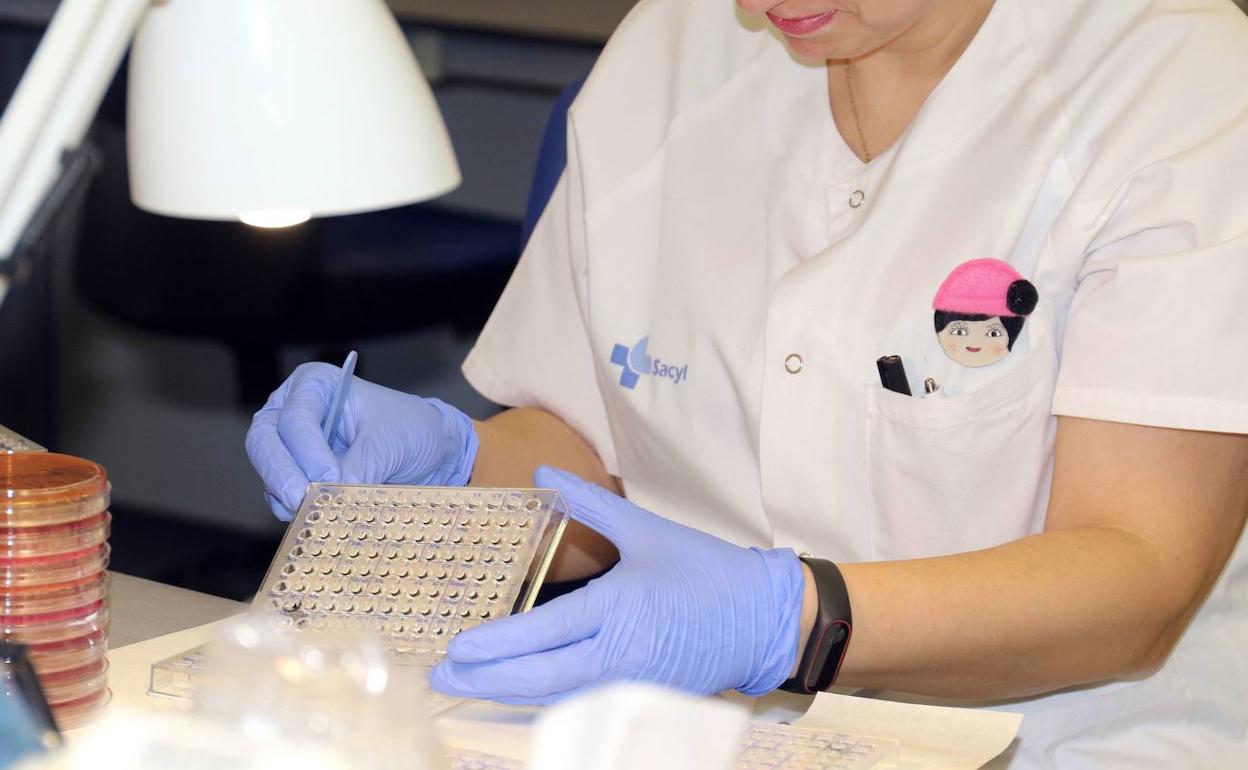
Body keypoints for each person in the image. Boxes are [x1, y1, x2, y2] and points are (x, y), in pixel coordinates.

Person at [246, 0, 1248, 765]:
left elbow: (1137, 575)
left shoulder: (1180, 85)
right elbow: (598, 455)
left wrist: (789, 619)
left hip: (1071, 739)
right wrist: (456, 471)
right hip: (708, 734)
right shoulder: (672, 49)